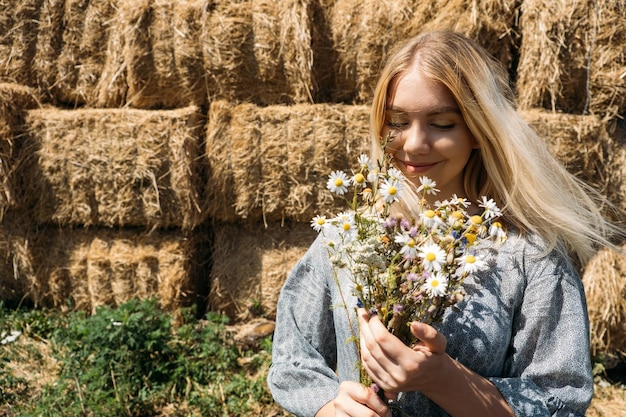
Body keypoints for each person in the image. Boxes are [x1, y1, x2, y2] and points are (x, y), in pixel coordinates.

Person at [267, 30, 623, 417]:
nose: (414, 144)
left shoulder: (531, 257)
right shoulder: (349, 238)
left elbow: (562, 400)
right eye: (397, 121)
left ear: (477, 130)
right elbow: (292, 359)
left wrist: (443, 379)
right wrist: (327, 405)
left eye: (441, 123)